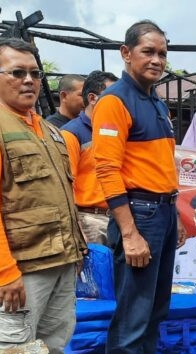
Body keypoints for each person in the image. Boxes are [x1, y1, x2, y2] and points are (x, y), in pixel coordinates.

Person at [0, 37, 86, 354]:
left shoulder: (51, 132)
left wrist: (77, 252)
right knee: (13, 352)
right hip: (21, 271)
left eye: (35, 73)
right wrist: (3, 272)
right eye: (17, 72)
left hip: (62, 262)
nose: (29, 80)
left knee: (54, 347)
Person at [92, 20, 178, 354]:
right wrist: (129, 234)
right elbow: (107, 170)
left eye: (162, 53)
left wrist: (177, 217)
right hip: (140, 215)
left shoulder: (155, 101)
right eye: (148, 52)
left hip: (164, 212)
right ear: (126, 53)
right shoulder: (115, 101)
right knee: (132, 319)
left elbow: (162, 166)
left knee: (156, 311)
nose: (157, 60)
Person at [60, 70, 119, 246]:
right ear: (93, 98)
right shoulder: (71, 133)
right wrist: (76, 228)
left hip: (118, 219)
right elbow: (65, 185)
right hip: (90, 222)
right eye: (112, 97)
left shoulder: (116, 130)